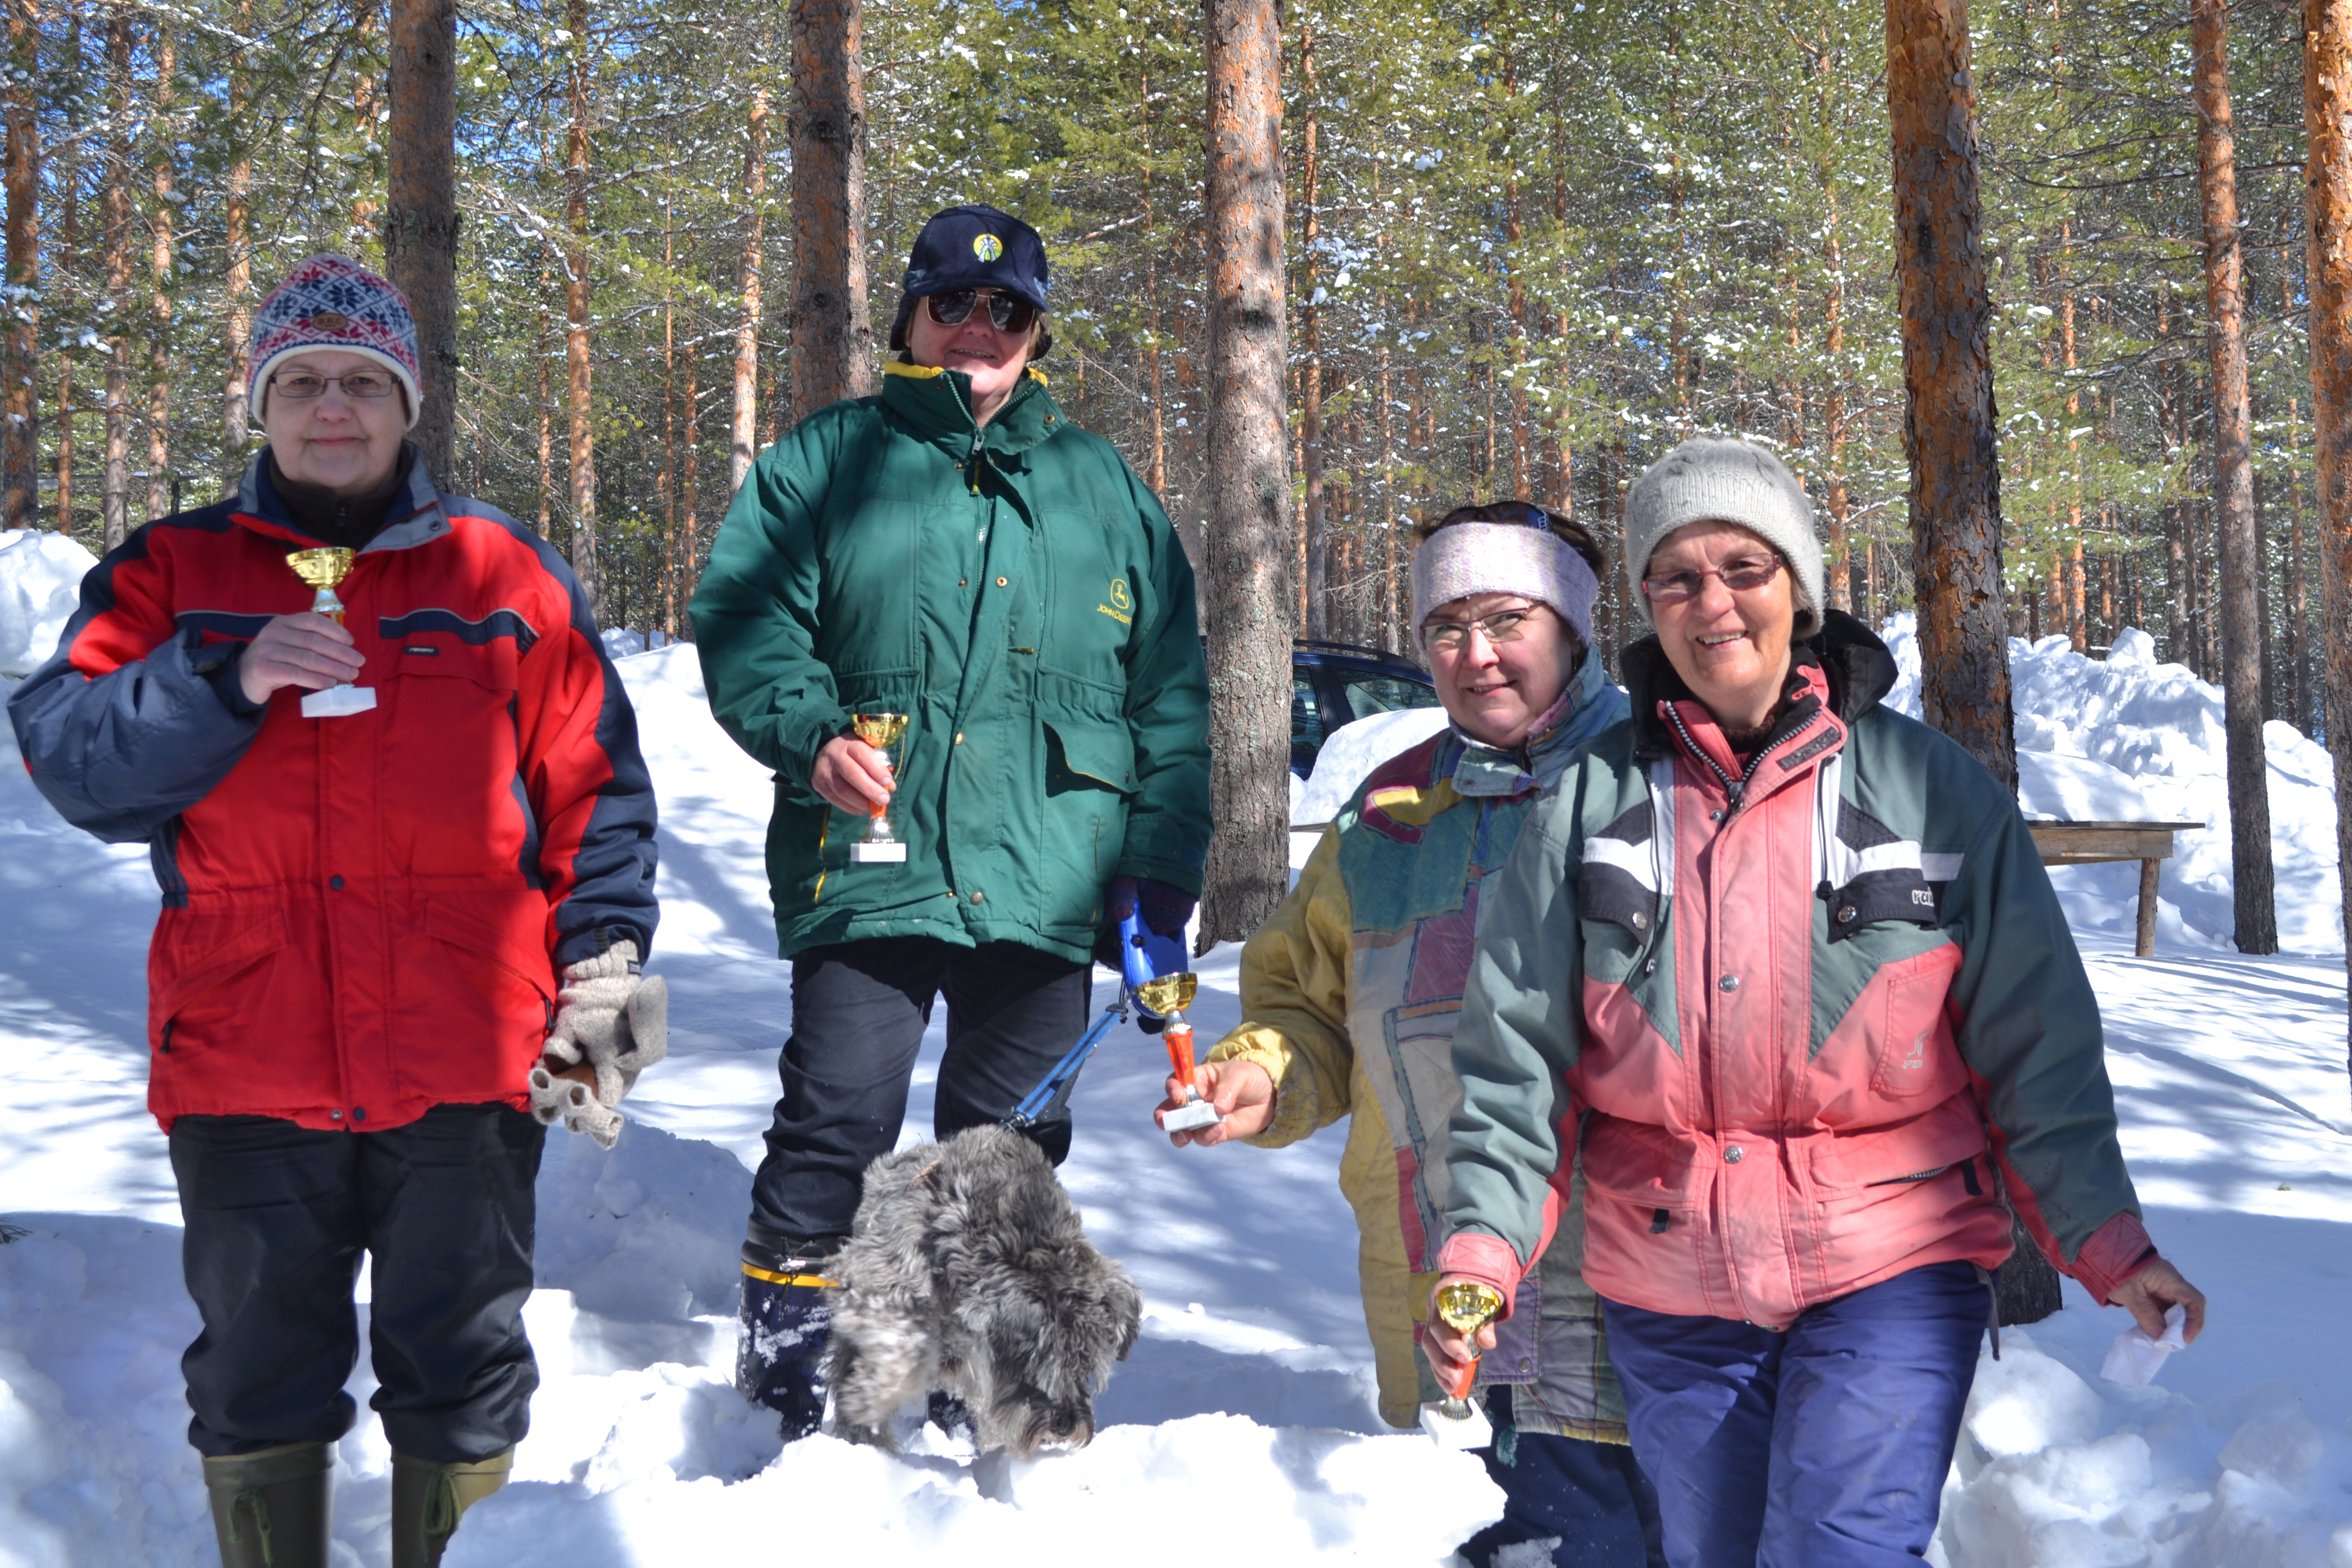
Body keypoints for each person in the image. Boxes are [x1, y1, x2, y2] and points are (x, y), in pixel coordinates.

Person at [1426, 436, 2207, 1567]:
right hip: (1673, 1277)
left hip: (1893, 1258)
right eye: (1678, 580)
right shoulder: (1591, 800)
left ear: (1801, 584)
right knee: (1718, 1554)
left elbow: (2035, 1046)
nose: (1714, 604)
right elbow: (1515, 1062)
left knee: (1845, 1547)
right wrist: (1481, 1256)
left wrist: (2108, 1242)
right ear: (1648, 607)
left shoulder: (1931, 788)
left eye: (1744, 568)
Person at [7, 255, 662, 1568]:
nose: (334, 407)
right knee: (256, 1371)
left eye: (364, 381)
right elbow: (71, 757)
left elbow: (597, 788)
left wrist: (609, 981)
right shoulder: (172, 571)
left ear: (408, 404)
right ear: (261, 404)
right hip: (247, 1053)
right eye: (301, 380)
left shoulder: (501, 571)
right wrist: (226, 676)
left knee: (466, 1361)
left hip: (469, 1051)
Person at [690, 204, 1212, 1437]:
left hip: (1046, 874)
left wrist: (1160, 871)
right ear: (912, 319)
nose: (981, 328)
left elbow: (1172, 701)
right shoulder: (827, 461)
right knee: (837, 1118)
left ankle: (976, 1399)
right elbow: (746, 622)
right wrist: (812, 730)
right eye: (956, 306)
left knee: (1010, 1158)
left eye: (1010, 311)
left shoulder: (1107, 492)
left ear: (1036, 335)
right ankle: (793, 1388)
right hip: (870, 861)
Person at [1161, 502, 1663, 1567]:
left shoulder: (1664, 780)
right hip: (1441, 1299)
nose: (1475, 655)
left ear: (1572, 626)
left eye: (1507, 619)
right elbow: (1308, 1003)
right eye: (1445, 627)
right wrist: (1265, 1076)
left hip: (1649, 1303)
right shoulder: (1391, 815)